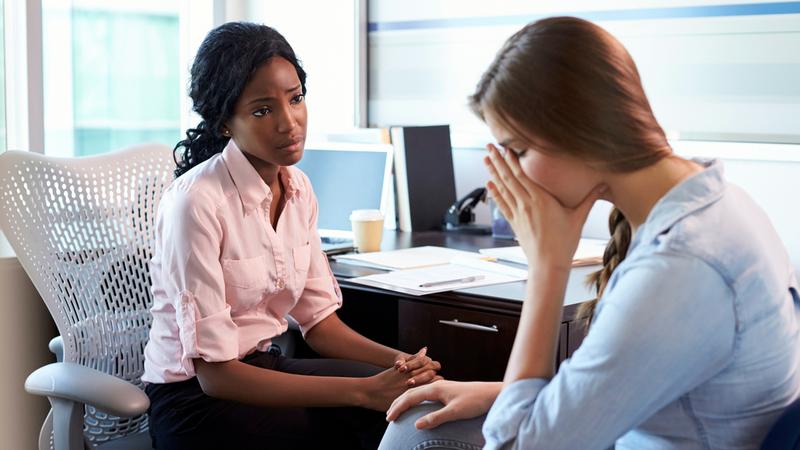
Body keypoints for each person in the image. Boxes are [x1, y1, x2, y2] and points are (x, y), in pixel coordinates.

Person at [378, 16, 800, 450]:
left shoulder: (680, 268)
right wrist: (499, 393)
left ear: (579, 131)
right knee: (417, 421)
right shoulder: (718, 201)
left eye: (519, 151)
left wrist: (547, 267)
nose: (511, 176)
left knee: (410, 437)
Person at [141, 22, 441, 450]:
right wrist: (364, 391)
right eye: (262, 110)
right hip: (194, 401)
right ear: (225, 121)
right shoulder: (196, 203)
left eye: (296, 99)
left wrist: (399, 363)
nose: (289, 123)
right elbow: (216, 375)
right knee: (362, 420)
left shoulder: (298, 188)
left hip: (262, 369)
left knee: (415, 403)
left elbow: (320, 325)